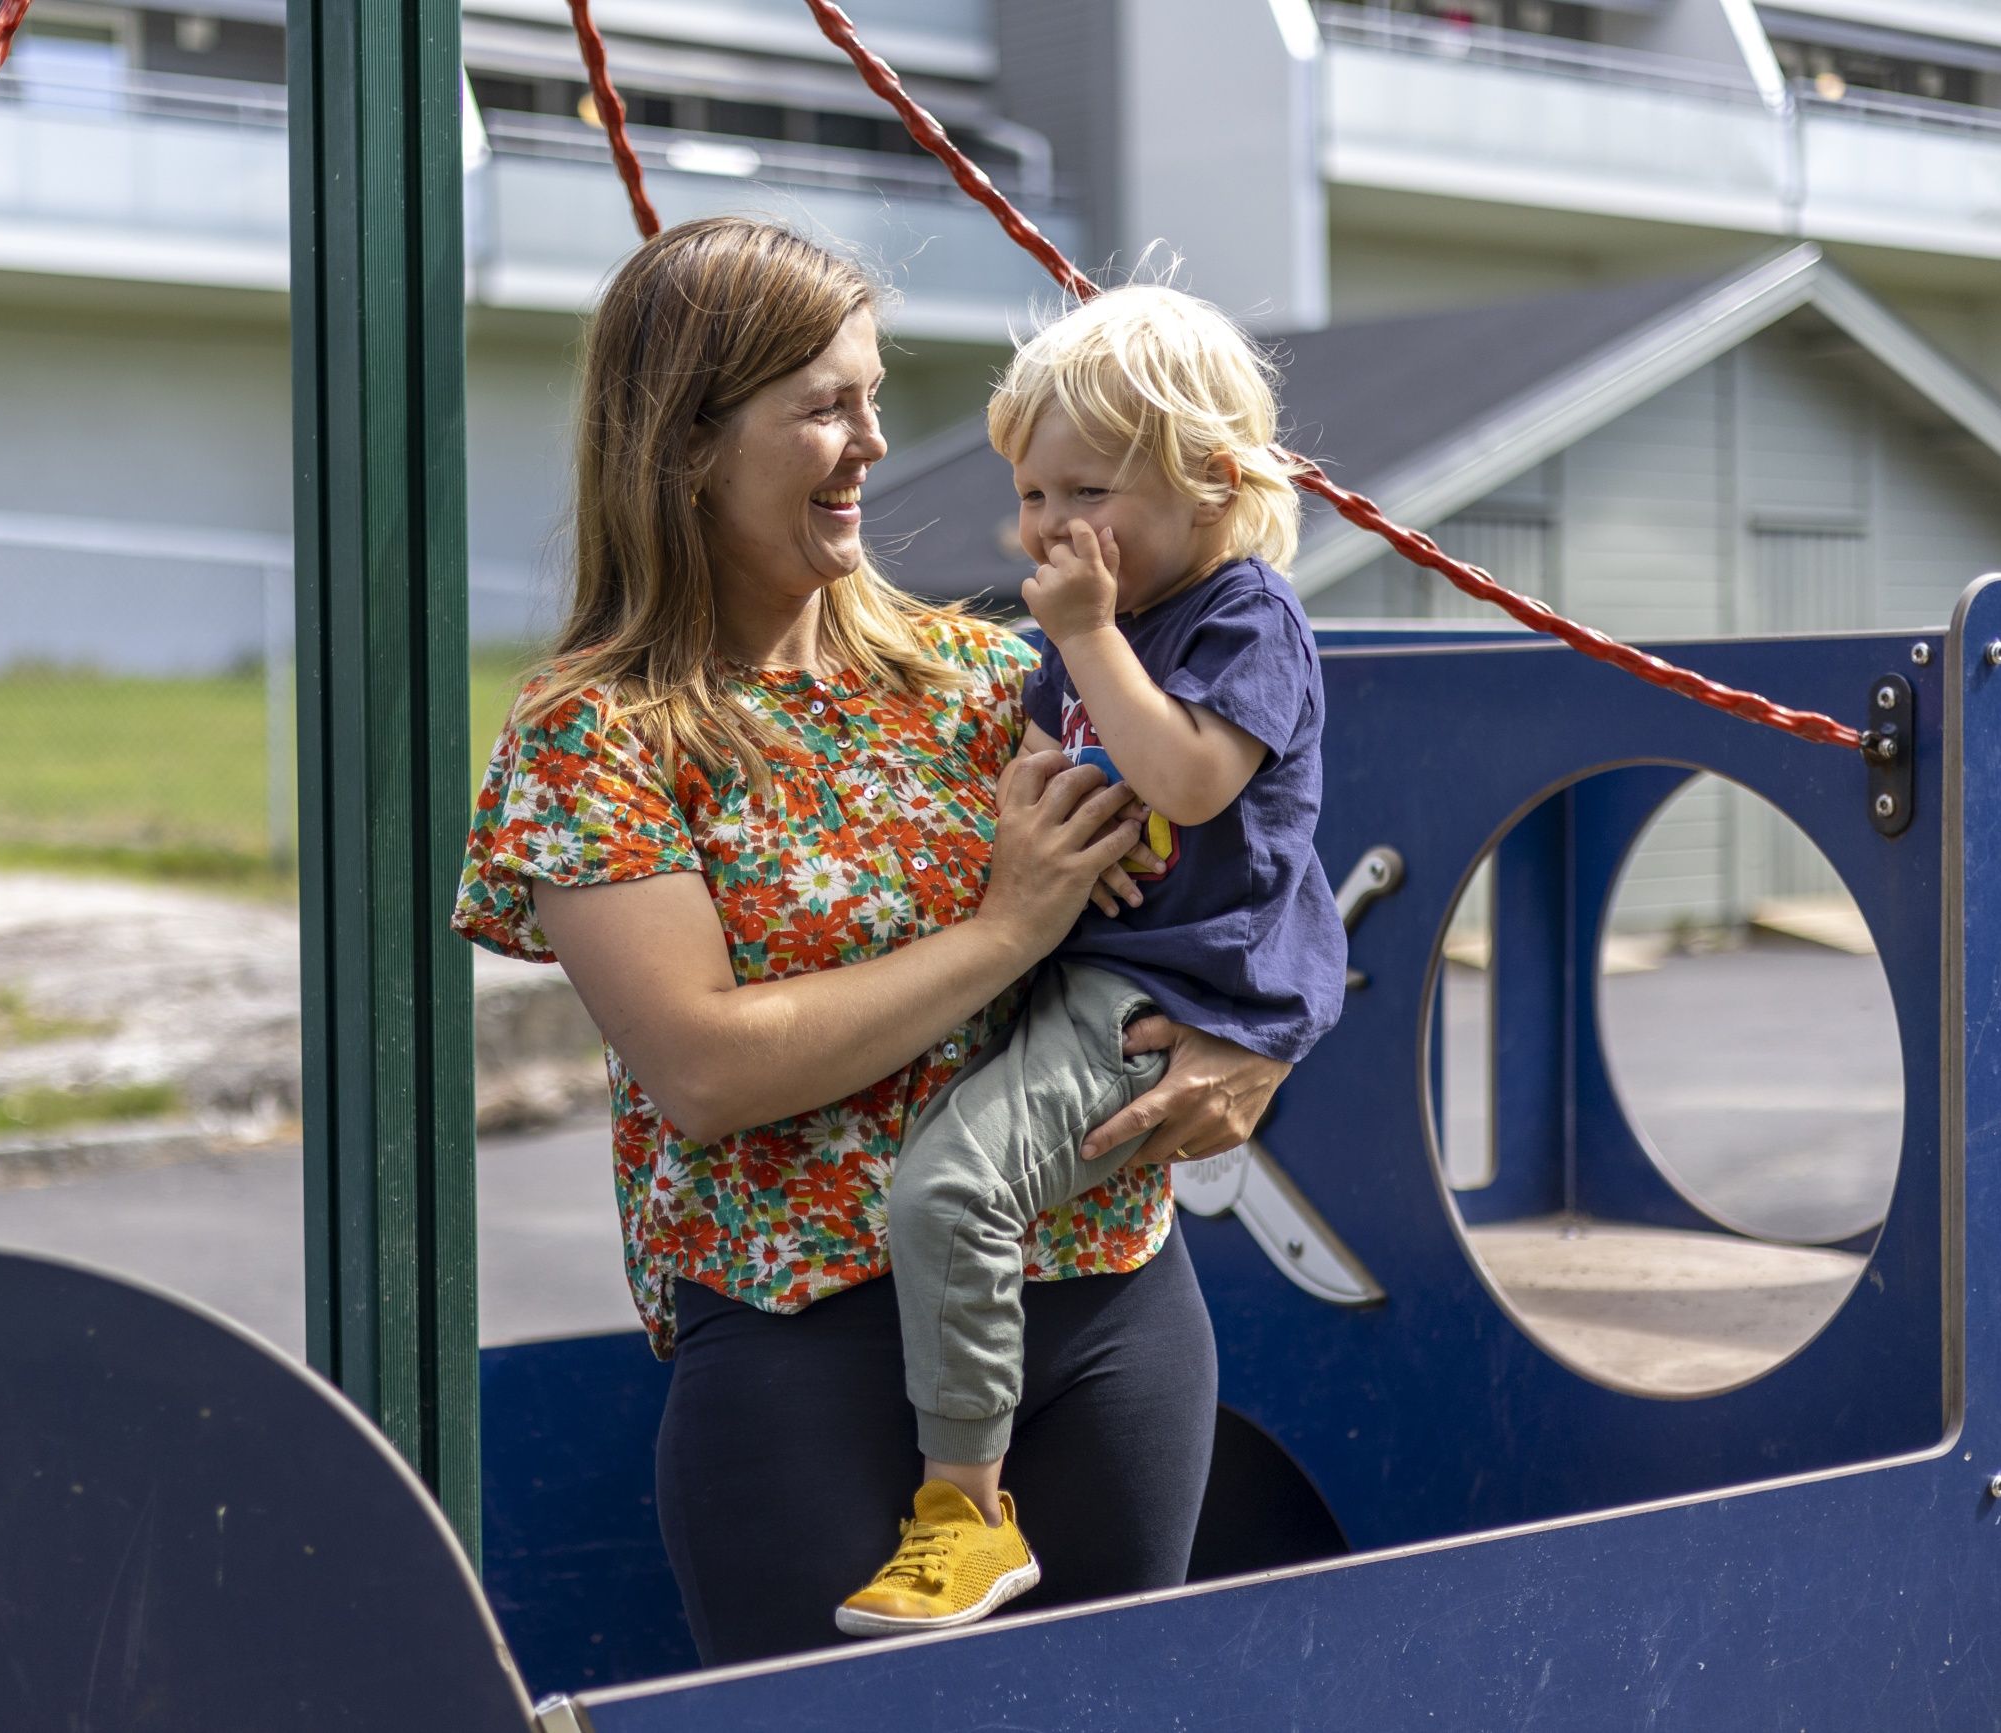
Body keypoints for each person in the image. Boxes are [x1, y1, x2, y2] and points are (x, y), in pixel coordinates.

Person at [450, 217, 1294, 1665]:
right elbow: (704, 1068)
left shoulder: (992, 672)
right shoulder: (598, 734)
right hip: (804, 1347)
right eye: (825, 407)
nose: (872, 444)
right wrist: (1005, 928)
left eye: (873, 395)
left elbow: (1243, 862)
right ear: (687, 442)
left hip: (1101, 1311)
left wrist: (1257, 1047)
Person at [834, 285, 1347, 1637]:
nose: (1047, 528)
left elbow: (1180, 770)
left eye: (1084, 489)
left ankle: (963, 1508)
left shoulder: (1245, 619)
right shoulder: (1118, 616)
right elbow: (1082, 767)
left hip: (1167, 991)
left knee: (952, 1188)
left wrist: (1082, 638)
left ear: (1215, 483)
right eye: (1030, 492)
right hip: (1106, 954)